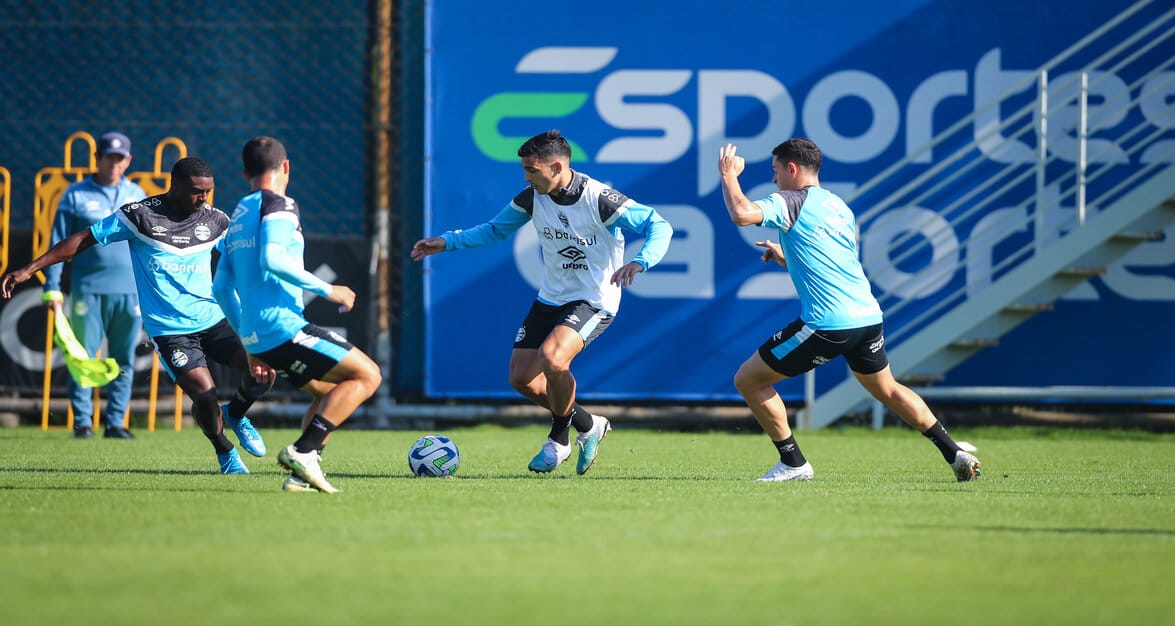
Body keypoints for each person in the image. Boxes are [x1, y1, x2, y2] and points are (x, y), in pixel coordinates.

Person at [411, 129, 673, 475]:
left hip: (595, 299)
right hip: (551, 297)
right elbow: (495, 230)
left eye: (532, 170)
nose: (526, 176)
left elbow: (659, 224)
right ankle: (589, 424)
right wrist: (447, 242)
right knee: (522, 379)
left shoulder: (599, 198)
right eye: (524, 169)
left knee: (553, 357)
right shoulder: (533, 198)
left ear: (558, 166)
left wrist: (642, 261)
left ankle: (558, 440)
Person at [718, 138, 982, 482]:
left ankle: (794, 463)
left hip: (830, 323)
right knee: (887, 389)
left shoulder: (791, 200)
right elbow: (833, 262)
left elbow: (741, 214)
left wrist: (728, 175)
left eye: (775, 171)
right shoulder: (838, 206)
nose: (773, 180)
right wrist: (787, 258)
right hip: (868, 318)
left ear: (792, 169)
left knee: (749, 380)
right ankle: (954, 453)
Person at [2, 157, 275, 474]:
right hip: (170, 330)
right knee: (204, 394)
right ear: (175, 185)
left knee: (264, 372)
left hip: (213, 320)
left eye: (209, 191)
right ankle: (225, 451)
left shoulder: (215, 220)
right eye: (197, 192)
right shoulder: (140, 215)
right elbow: (83, 239)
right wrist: (29, 268)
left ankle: (237, 414)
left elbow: (241, 260)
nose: (204, 199)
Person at [213, 136, 381, 494]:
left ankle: (301, 474)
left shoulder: (238, 214)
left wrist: (249, 342)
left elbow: (221, 289)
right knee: (369, 376)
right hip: (284, 327)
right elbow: (273, 259)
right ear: (286, 167)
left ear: (245, 172)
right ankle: (303, 451)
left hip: (260, 334)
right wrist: (328, 289)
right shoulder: (281, 205)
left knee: (330, 391)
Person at [42, 131, 146, 439]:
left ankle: (115, 422)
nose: (113, 164)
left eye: (120, 158)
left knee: (124, 358)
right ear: (97, 159)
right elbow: (58, 243)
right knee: (82, 357)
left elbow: (146, 243)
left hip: (129, 291)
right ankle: (83, 423)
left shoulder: (136, 193)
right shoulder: (74, 195)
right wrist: (52, 286)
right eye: (108, 158)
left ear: (128, 161)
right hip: (87, 289)